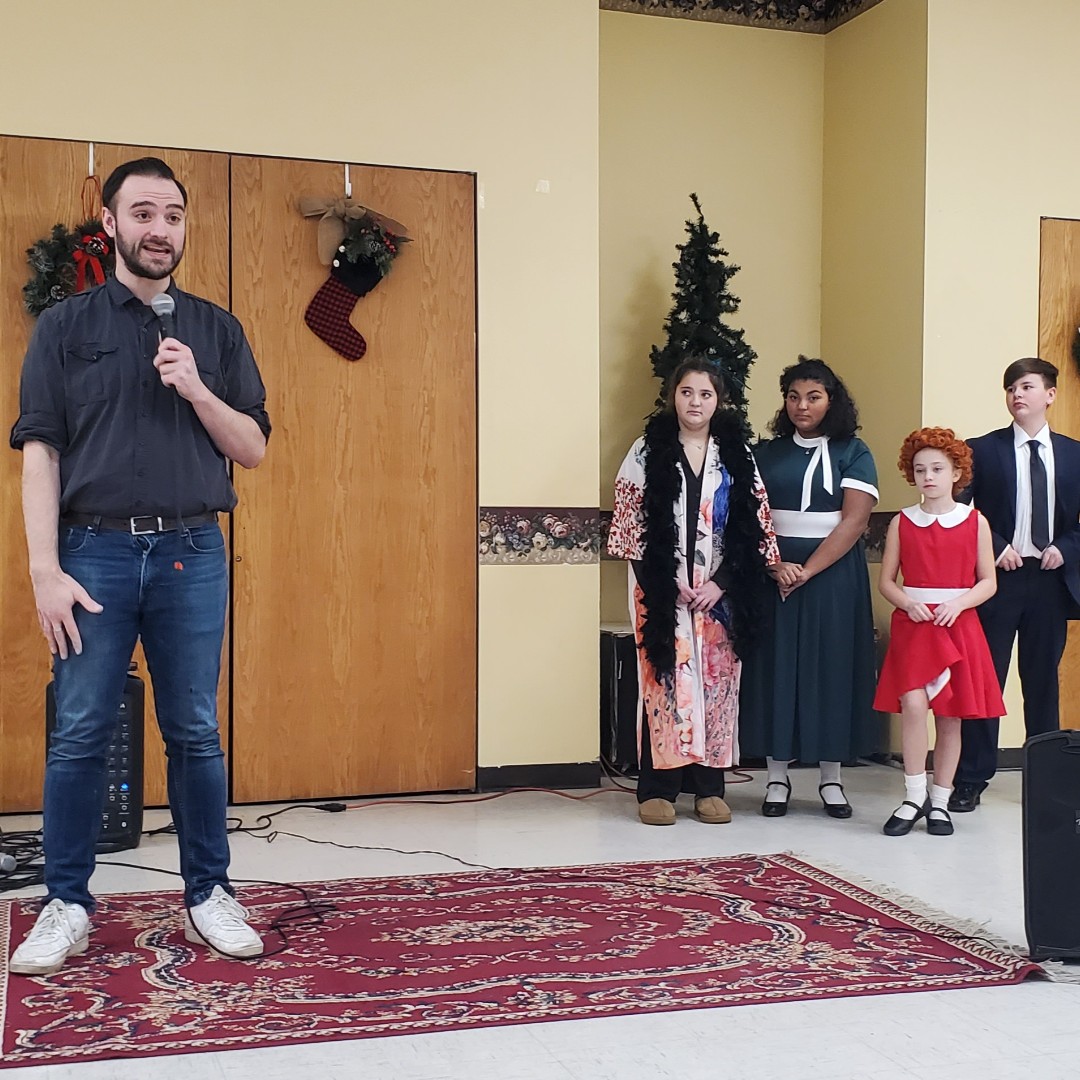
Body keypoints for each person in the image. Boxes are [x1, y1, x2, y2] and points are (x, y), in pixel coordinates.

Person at [8, 157, 271, 975]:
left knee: (194, 730)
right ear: (112, 223)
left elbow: (252, 448)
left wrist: (197, 389)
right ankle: (65, 903)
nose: (161, 230)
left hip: (192, 553)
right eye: (145, 213)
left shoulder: (217, 331)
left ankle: (208, 894)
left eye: (175, 216)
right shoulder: (64, 328)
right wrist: (44, 570)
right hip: (92, 554)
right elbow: (40, 453)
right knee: (81, 731)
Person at [607, 356, 779, 826]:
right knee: (664, 681)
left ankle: (708, 788)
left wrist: (720, 584)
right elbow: (629, 528)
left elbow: (755, 528)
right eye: (687, 392)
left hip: (721, 596)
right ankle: (657, 789)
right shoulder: (645, 452)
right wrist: (668, 584)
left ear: (719, 400)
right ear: (673, 396)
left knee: (717, 685)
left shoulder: (737, 456)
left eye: (705, 394)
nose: (695, 402)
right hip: (661, 593)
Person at [740, 358, 879, 818]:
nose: (802, 405)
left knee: (830, 667)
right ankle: (776, 777)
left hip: (832, 576)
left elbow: (854, 520)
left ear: (831, 401)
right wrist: (776, 564)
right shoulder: (765, 452)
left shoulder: (853, 451)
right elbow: (750, 517)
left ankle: (831, 779)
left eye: (813, 397)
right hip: (774, 574)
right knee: (777, 668)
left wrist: (807, 570)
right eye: (794, 396)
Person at [950, 359, 1080, 813]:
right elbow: (963, 511)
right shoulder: (982, 451)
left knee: (1042, 682)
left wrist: (1067, 544)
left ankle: (1045, 782)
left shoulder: (1074, 454)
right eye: (1010, 388)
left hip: (1049, 580)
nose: (1016, 395)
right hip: (998, 580)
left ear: (1050, 394)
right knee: (986, 680)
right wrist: (996, 543)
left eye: (1026, 386)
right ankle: (971, 777)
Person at [874, 429, 1003, 836]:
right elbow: (887, 580)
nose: (928, 476)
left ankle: (941, 801)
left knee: (950, 716)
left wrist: (959, 603)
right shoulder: (902, 522)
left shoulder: (975, 522)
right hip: (914, 626)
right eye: (920, 469)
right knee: (913, 705)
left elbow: (988, 581)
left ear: (956, 472)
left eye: (937, 468)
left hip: (956, 625)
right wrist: (906, 601)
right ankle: (914, 794)